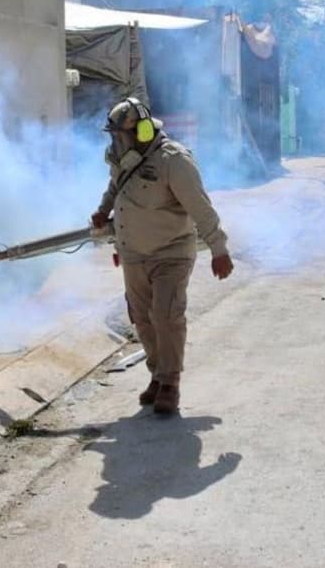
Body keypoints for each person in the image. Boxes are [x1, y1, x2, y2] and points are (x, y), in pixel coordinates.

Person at [92, 97, 234, 415]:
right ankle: (158, 373)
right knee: (141, 318)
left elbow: (201, 208)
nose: (116, 142)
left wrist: (218, 249)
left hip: (171, 252)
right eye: (113, 136)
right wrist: (103, 211)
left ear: (142, 131)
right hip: (133, 252)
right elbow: (115, 186)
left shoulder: (174, 160)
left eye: (120, 135)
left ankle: (169, 383)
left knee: (166, 315)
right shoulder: (124, 159)